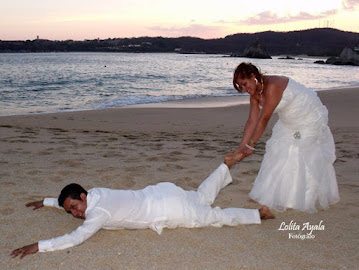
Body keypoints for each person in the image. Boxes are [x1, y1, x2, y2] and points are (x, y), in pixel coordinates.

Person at [11, 154, 274, 259]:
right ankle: (225, 166)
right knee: (201, 197)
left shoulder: (97, 213)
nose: (76, 213)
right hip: (163, 191)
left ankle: (257, 214)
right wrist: (48, 202)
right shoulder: (98, 193)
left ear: (83, 195)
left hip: (169, 211)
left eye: (75, 206)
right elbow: (70, 206)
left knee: (213, 216)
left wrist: (39, 245)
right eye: (71, 211)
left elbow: (75, 238)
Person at [228, 62, 340, 213]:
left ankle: (301, 196)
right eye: (241, 87)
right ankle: (266, 194)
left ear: (253, 76)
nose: (244, 89)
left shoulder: (272, 85)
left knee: (297, 149)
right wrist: (242, 147)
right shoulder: (254, 94)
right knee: (276, 150)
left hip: (308, 116)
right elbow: (252, 121)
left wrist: (251, 145)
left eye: (244, 84)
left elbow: (264, 119)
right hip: (289, 120)